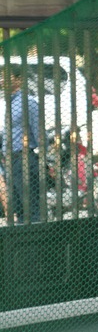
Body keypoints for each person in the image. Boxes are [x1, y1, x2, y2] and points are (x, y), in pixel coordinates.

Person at [1, 64, 41, 224]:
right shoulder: (10, 103)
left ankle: (37, 233)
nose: (2, 80)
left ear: (19, 80)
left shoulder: (28, 102)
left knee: (31, 207)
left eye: (7, 76)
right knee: (18, 207)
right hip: (11, 161)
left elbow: (39, 132)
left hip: (23, 159)